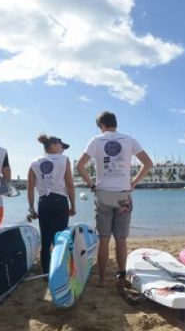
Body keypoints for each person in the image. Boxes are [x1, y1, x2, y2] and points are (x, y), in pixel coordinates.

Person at [77, 111, 153, 285]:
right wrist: (133, 182)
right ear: (115, 123)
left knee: (104, 239)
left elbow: (81, 166)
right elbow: (148, 163)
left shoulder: (96, 140)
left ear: (101, 126)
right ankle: (121, 277)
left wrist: (91, 184)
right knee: (121, 239)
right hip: (123, 195)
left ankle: (103, 279)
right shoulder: (129, 140)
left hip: (102, 194)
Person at [27, 134, 76, 275]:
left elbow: (30, 187)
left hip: (44, 203)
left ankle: (46, 273)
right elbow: (70, 186)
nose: (63, 150)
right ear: (54, 145)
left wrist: (31, 208)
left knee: (46, 239)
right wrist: (73, 206)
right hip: (60, 201)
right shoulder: (64, 160)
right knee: (60, 238)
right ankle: (60, 271)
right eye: (62, 146)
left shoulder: (34, 162)